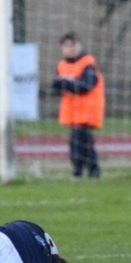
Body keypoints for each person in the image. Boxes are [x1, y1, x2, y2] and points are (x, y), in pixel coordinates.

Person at [51, 33, 104, 180]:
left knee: (78, 142)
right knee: (83, 143)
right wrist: (56, 85)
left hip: (87, 111)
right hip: (73, 112)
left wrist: (66, 84)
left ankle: (78, 172)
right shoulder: (62, 65)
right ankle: (92, 171)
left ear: (80, 46)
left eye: (73, 45)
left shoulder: (88, 64)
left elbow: (86, 86)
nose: (71, 49)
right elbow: (57, 88)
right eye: (67, 46)